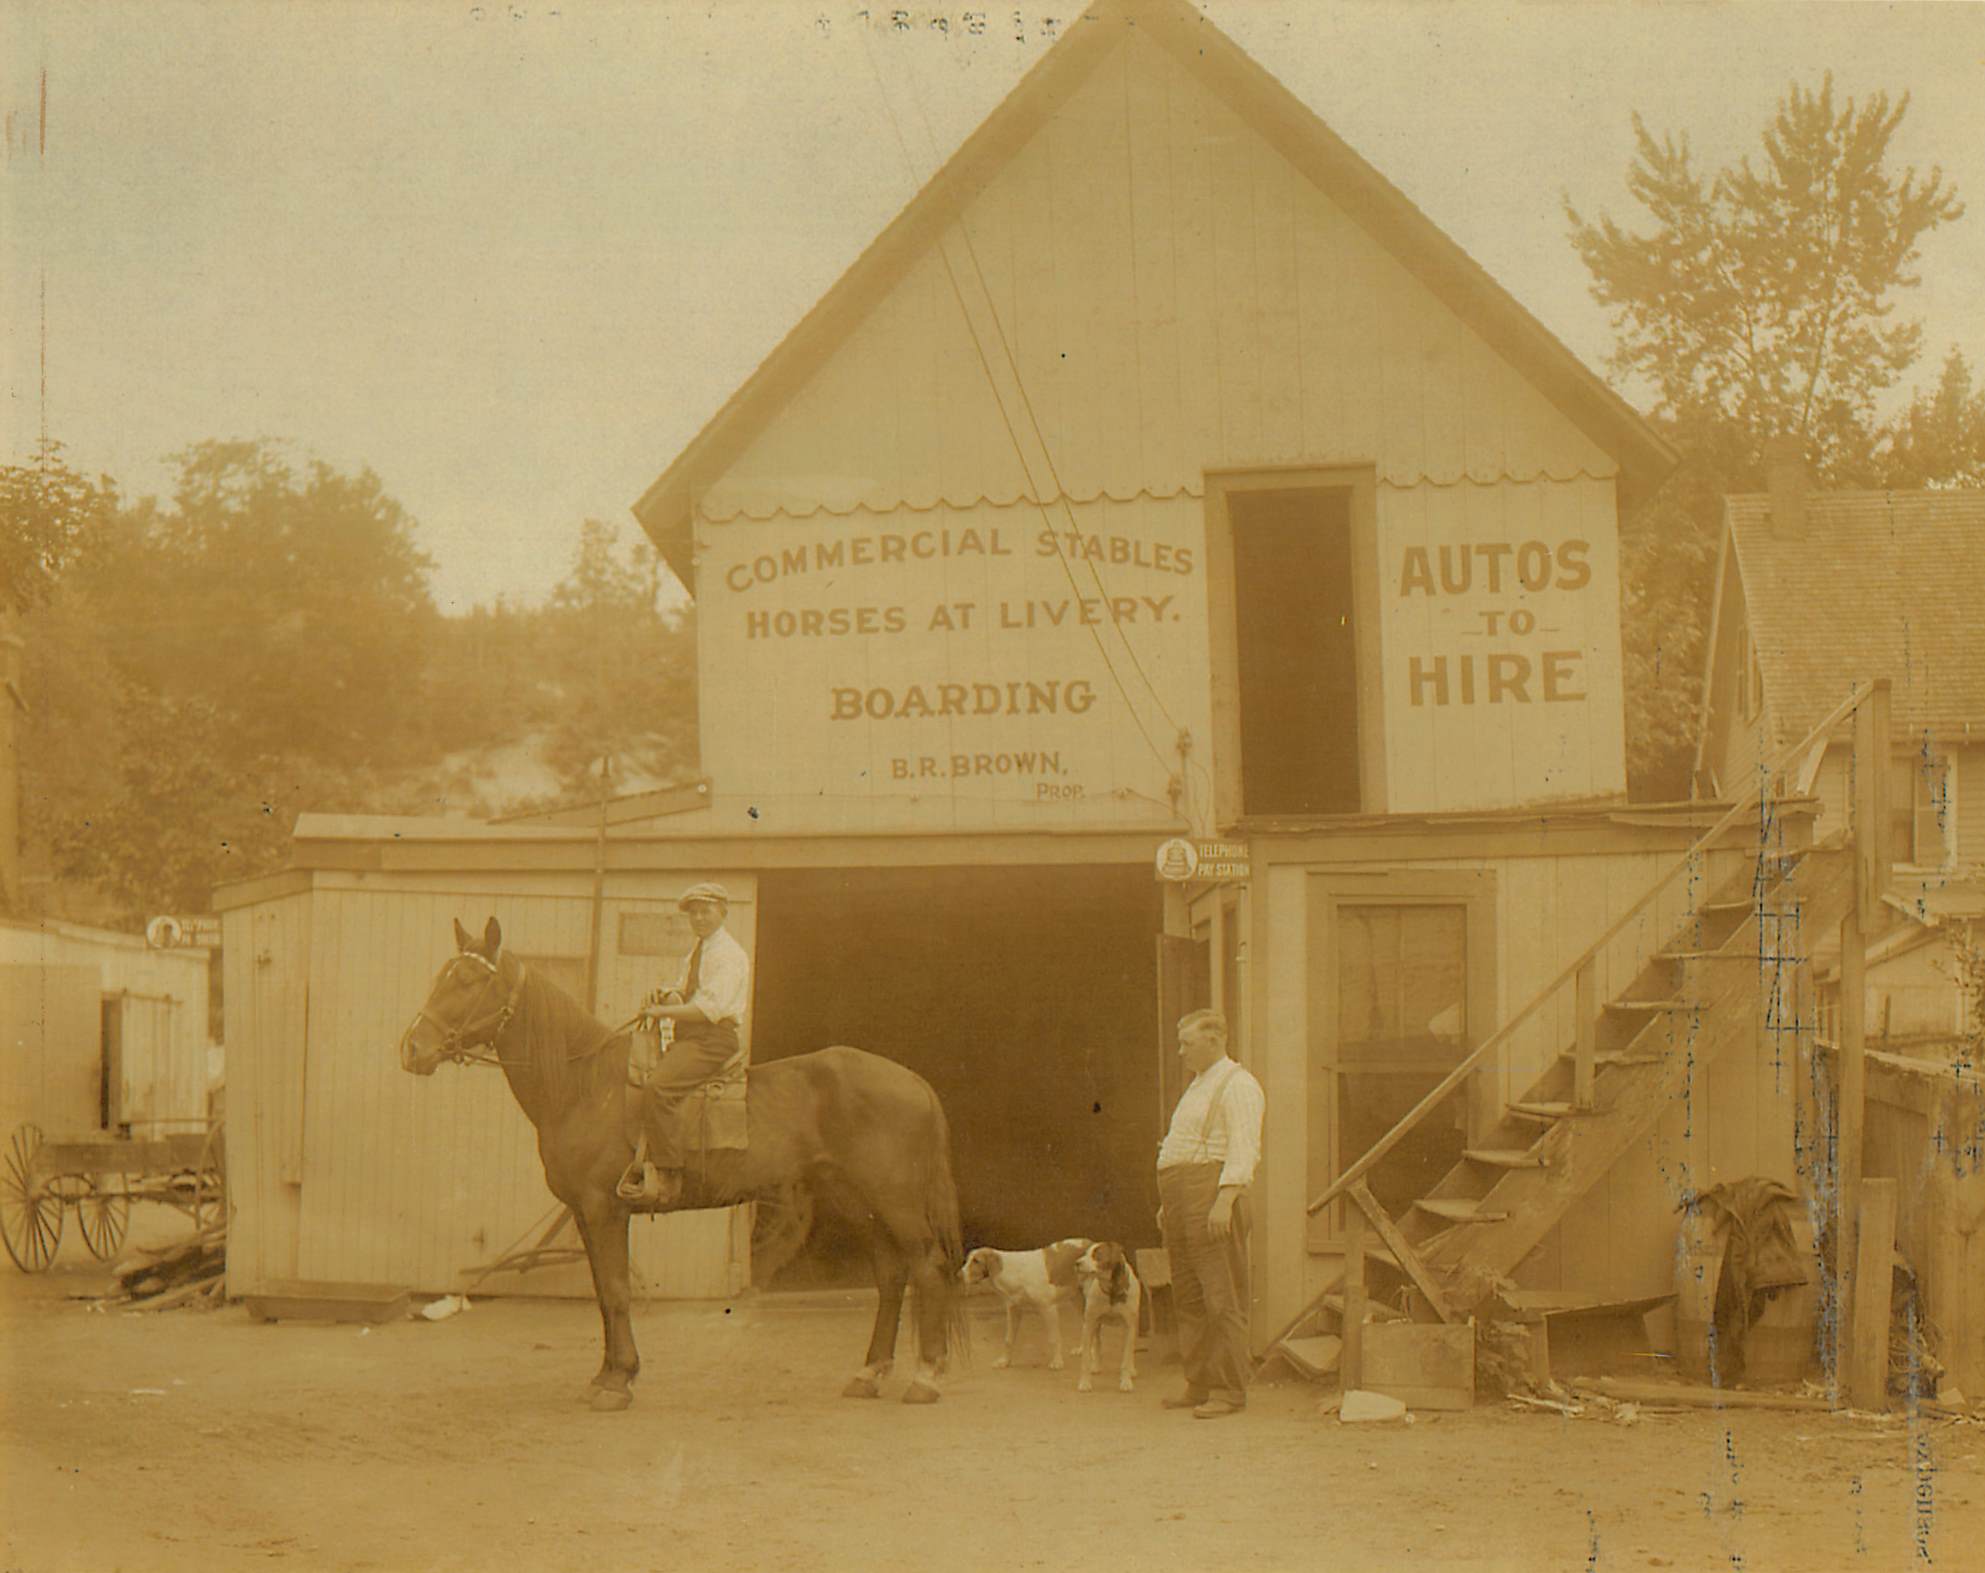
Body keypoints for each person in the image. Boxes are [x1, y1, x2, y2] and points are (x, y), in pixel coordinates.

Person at [1155, 1008, 1265, 1419]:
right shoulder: (1198, 1086)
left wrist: (1225, 1199)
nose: (1181, 1051)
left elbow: (1243, 1146)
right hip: (1182, 1197)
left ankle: (1230, 1390)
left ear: (1215, 1040)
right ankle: (1198, 1381)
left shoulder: (1239, 1085)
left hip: (1213, 1194)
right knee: (1188, 1297)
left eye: (1188, 1043)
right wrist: (1169, 1204)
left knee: (1222, 1297)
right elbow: (1182, 1145)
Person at [629, 881, 750, 1207]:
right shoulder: (699, 950)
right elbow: (687, 993)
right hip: (693, 1036)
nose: (698, 917)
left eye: (705, 910)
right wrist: (667, 994)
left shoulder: (729, 955)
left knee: (658, 1087)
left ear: (722, 912)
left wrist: (661, 1011)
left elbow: (708, 1009)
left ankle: (670, 1175)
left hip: (712, 1039)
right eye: (693, 913)